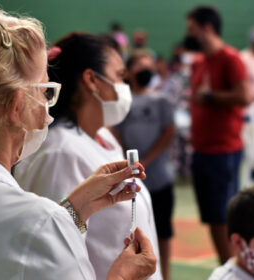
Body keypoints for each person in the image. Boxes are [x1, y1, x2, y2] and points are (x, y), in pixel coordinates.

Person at [0, 7, 157, 280]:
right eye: (45, 91)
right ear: (17, 106)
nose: (46, 105)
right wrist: (122, 277)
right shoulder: (39, 223)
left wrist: (73, 210)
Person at [14, 32, 163, 280]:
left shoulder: (103, 136)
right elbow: (49, 251)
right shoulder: (59, 153)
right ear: (92, 80)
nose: (125, 86)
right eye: (119, 76)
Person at [186, 5, 253, 264]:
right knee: (213, 218)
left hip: (222, 151)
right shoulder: (199, 62)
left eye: (192, 29)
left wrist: (210, 96)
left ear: (207, 28)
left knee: (223, 218)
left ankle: (233, 271)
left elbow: (245, 96)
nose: (189, 35)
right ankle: (227, 268)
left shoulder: (229, 58)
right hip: (202, 150)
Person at [112, 51, 176, 280]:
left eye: (149, 65)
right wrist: (130, 163)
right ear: (129, 72)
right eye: (140, 65)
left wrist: (147, 161)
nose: (146, 70)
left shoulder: (161, 101)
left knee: (164, 230)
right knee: (137, 228)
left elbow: (169, 132)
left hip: (159, 177)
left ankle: (164, 275)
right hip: (133, 178)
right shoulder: (123, 102)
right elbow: (115, 133)